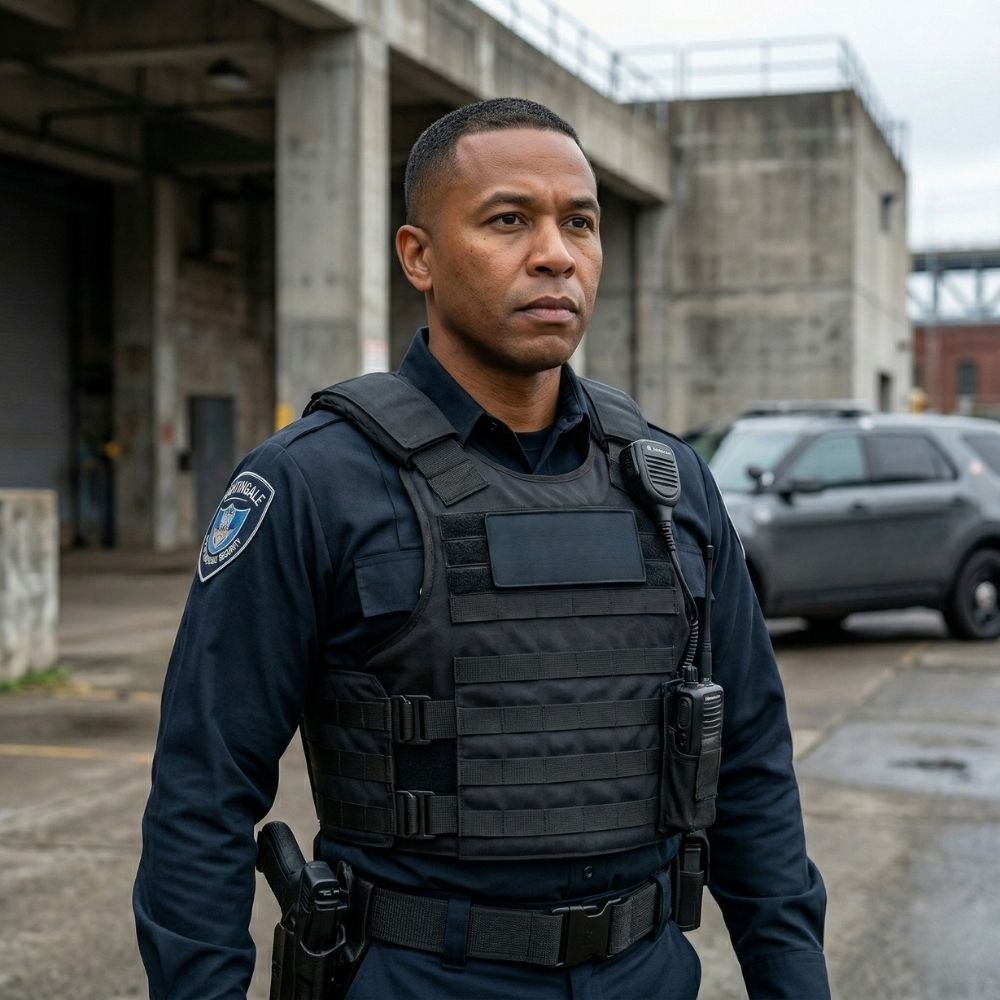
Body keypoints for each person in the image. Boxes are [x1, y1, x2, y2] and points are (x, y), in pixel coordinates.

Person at [134, 97, 830, 1000]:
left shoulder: (670, 483)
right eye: (509, 219)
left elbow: (753, 767)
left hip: (645, 975)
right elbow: (203, 790)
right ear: (418, 256)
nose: (555, 252)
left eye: (578, 222)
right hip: (415, 978)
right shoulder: (314, 482)